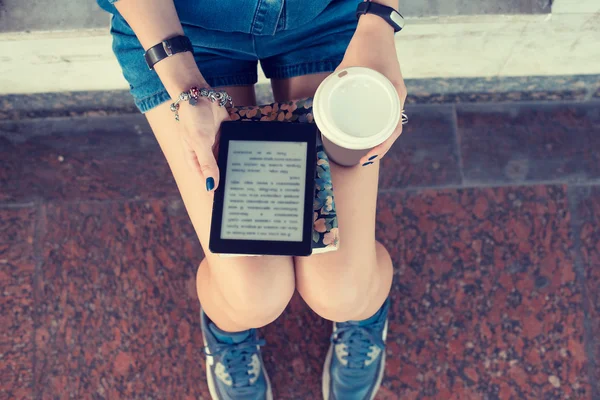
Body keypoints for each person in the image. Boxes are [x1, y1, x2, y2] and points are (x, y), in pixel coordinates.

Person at [96, 0, 408, 398]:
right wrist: (182, 81)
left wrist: (379, 21)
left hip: (327, 16)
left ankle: (363, 309)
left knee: (344, 291)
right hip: (180, 30)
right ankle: (228, 327)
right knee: (251, 297)